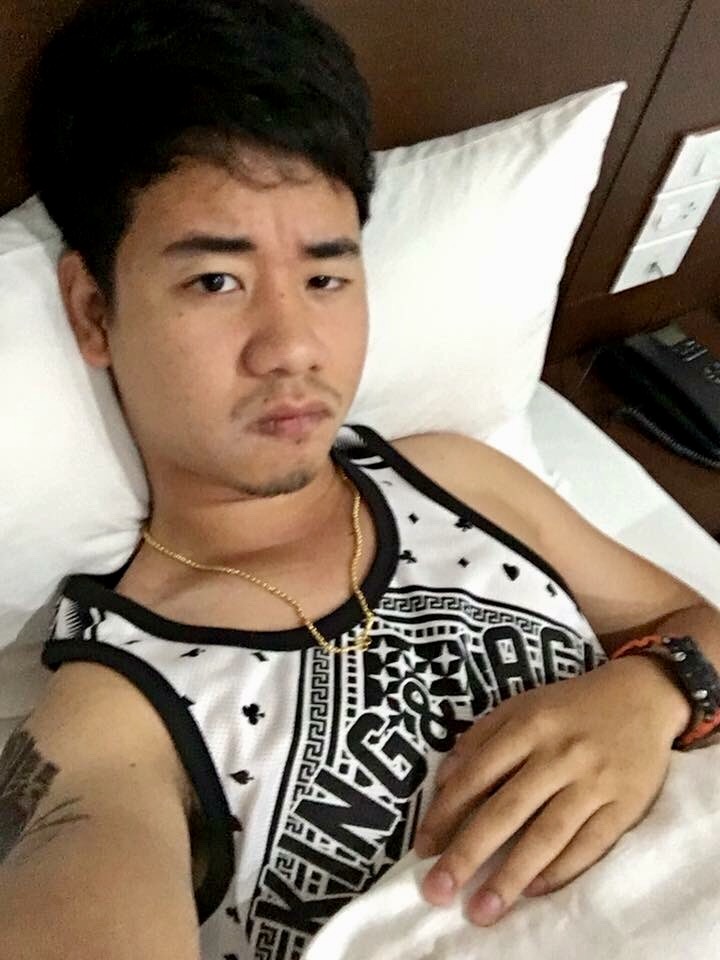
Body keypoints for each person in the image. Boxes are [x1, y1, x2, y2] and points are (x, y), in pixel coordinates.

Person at [2, 1, 719, 958]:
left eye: (326, 277)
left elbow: (697, 620)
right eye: (216, 281)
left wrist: (650, 692)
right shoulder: (114, 712)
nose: (294, 346)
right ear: (95, 312)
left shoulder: (452, 475)